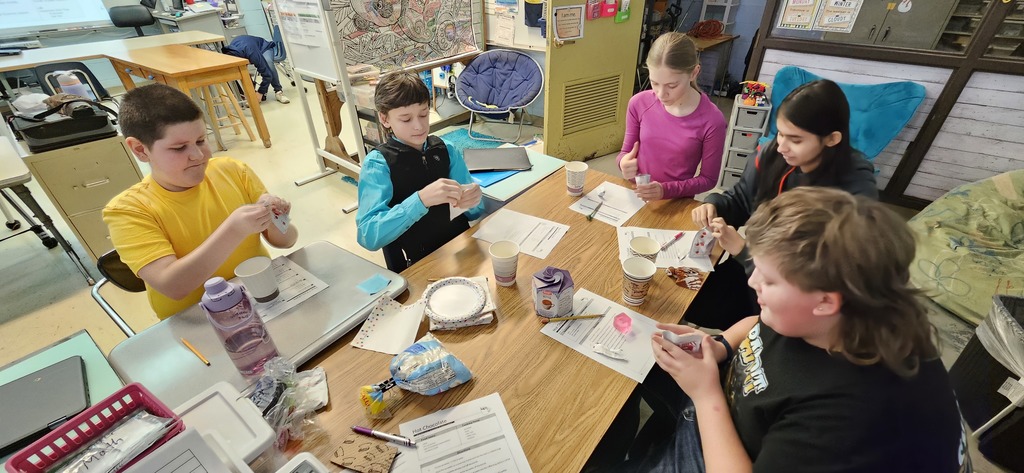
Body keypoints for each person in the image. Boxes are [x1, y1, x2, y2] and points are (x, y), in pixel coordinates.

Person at [607, 187, 968, 473]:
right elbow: (757, 324)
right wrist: (720, 347)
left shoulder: (850, 421)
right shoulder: (843, 312)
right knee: (624, 364)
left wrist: (706, 396)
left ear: (826, 301)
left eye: (770, 278)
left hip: (728, 448)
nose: (752, 280)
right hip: (730, 411)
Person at [685, 79, 878, 329]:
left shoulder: (852, 190)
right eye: (780, 134)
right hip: (752, 271)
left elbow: (822, 274)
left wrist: (743, 251)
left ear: (832, 139)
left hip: (795, 297)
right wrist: (714, 205)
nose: (782, 147)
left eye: (796, 140)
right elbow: (742, 199)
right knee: (684, 299)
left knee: (748, 339)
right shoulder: (772, 155)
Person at [103, 84, 298, 319]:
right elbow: (173, 286)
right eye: (179, 148)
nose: (198, 155)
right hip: (196, 318)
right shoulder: (128, 211)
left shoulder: (232, 170)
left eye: (201, 140)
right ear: (140, 150)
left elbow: (287, 241)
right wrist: (234, 229)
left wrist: (276, 217)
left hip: (261, 298)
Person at [356, 71, 484, 271]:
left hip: (460, 248)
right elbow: (368, 235)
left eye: (424, 114)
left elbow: (475, 210)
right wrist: (420, 200)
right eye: (406, 119)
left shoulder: (446, 149)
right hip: (420, 262)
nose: (419, 126)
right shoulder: (378, 164)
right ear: (384, 118)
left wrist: (474, 200)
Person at [618, 32, 727, 202]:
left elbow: (708, 179)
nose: (661, 94)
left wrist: (665, 190)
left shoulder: (712, 120)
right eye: (654, 83)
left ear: (694, 73)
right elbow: (626, 152)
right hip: (636, 196)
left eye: (672, 85)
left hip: (676, 203)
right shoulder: (639, 103)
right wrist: (623, 164)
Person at [222, 35, 291, 104]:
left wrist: (260, 92)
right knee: (243, 71)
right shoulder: (229, 53)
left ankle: (278, 92)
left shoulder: (252, 53)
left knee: (268, 63)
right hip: (247, 46)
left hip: (263, 48)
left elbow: (267, 75)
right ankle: (252, 94)